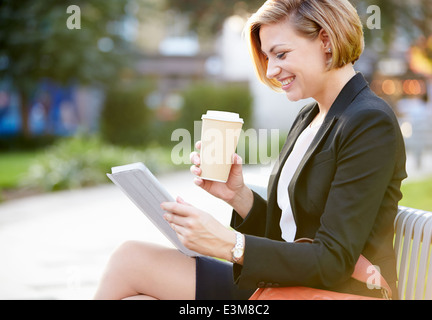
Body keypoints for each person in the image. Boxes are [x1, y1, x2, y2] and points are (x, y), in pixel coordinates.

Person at [94, 0, 407, 300]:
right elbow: (290, 232)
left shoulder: (369, 122)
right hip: (292, 285)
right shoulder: (309, 116)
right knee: (133, 275)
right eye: (267, 57)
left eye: (280, 54)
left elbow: (333, 260)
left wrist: (229, 244)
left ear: (326, 40)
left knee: (131, 260)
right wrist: (238, 196)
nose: (270, 71)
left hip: (332, 292)